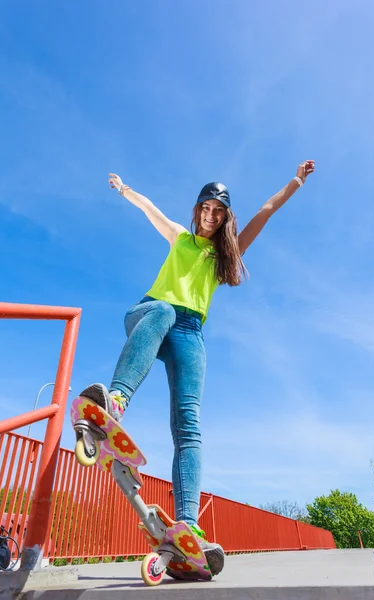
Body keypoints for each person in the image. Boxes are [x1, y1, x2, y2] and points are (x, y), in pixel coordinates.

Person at [79, 160, 315, 575]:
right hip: (151, 313)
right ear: (197, 210)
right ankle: (115, 402)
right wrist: (125, 190)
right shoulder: (180, 238)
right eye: (205, 207)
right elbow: (150, 209)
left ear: (224, 217)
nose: (210, 215)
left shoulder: (227, 254)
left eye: (218, 210)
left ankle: (187, 523)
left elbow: (265, 210)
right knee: (164, 311)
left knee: (189, 424)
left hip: (191, 332)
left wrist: (295, 181)